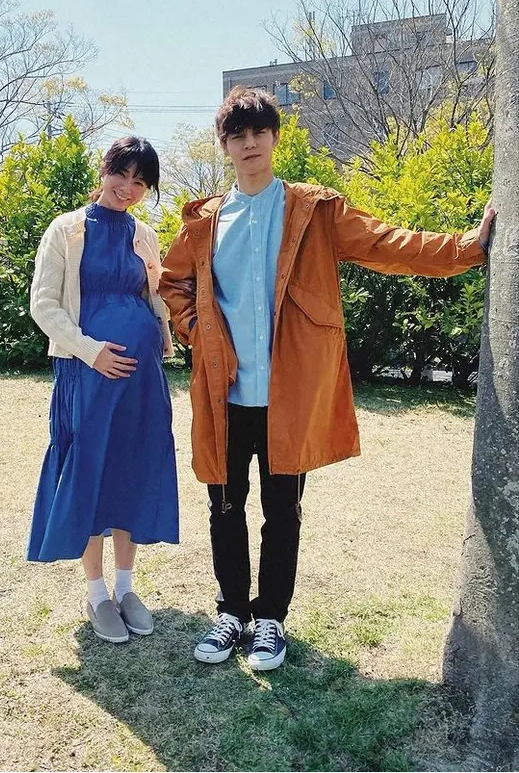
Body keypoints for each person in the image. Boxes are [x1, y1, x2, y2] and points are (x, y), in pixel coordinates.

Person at [159, 85, 496, 672]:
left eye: (259, 132)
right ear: (225, 146)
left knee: (282, 511)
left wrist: (466, 248)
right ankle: (231, 612)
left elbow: (386, 243)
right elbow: (173, 284)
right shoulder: (205, 223)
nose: (249, 144)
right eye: (237, 135)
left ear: (274, 138)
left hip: (289, 394)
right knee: (224, 506)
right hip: (223, 392)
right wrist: (198, 333)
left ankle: (270, 620)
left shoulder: (312, 210)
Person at [27, 136, 179, 644]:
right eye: (122, 175)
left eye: (140, 182)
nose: (128, 188)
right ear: (105, 169)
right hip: (86, 373)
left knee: (131, 467)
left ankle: (126, 587)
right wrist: (92, 351)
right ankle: (95, 593)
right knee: (90, 469)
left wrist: (163, 338)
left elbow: (155, 296)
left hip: (141, 379)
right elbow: (44, 304)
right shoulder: (66, 230)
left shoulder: (145, 235)